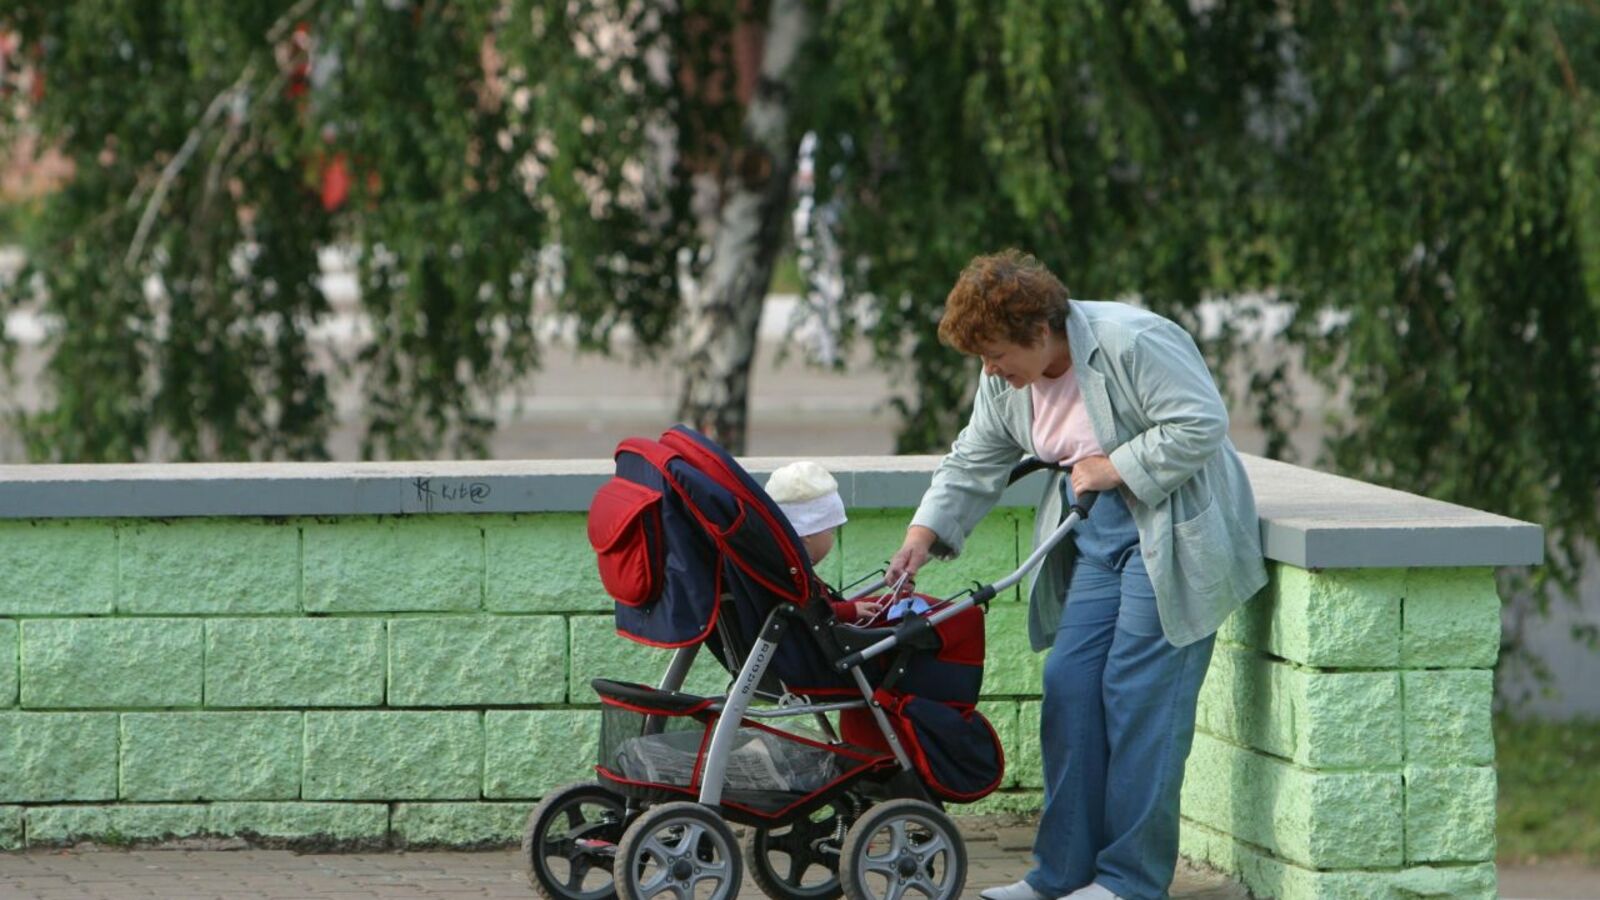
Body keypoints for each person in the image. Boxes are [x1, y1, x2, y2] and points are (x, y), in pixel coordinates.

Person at [886, 250, 1267, 900]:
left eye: (996, 352)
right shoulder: (1009, 381)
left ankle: (1127, 882)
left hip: (1170, 533)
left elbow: (1202, 421)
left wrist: (1115, 466)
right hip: (1097, 532)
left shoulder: (1132, 341)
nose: (990, 370)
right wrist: (924, 534)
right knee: (1069, 684)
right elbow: (975, 456)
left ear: (1039, 331)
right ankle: (1059, 876)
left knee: (1137, 698)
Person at [766, 460, 883, 623]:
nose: (833, 537)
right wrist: (849, 610)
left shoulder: (778, 564)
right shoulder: (792, 575)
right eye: (831, 531)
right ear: (807, 532)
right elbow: (804, 613)